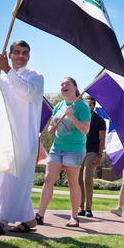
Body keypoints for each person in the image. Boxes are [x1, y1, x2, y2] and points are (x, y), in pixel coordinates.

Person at [0, 40, 43, 235]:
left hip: (26, 138)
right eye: (16, 52)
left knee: (14, 179)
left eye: (25, 53)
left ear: (29, 56)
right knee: (9, 179)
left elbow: (28, 93)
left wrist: (7, 70)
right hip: (6, 137)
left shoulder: (36, 77)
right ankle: (29, 220)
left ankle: (0, 221)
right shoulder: (4, 78)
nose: (21, 56)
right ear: (9, 54)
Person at [35, 77, 90, 228]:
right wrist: (50, 130)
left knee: (73, 183)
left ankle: (74, 217)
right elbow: (52, 125)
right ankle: (39, 214)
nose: (64, 86)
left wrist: (71, 116)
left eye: (67, 84)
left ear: (75, 88)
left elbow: (86, 129)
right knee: (48, 179)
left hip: (74, 149)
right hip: (56, 148)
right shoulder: (59, 105)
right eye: (62, 84)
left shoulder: (82, 107)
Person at [76, 95, 105, 218]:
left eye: (91, 104)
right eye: (87, 103)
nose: (89, 106)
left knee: (87, 178)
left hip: (92, 152)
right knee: (78, 180)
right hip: (80, 150)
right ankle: (81, 207)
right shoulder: (81, 118)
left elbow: (102, 139)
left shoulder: (99, 120)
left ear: (94, 105)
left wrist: (99, 155)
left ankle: (88, 208)